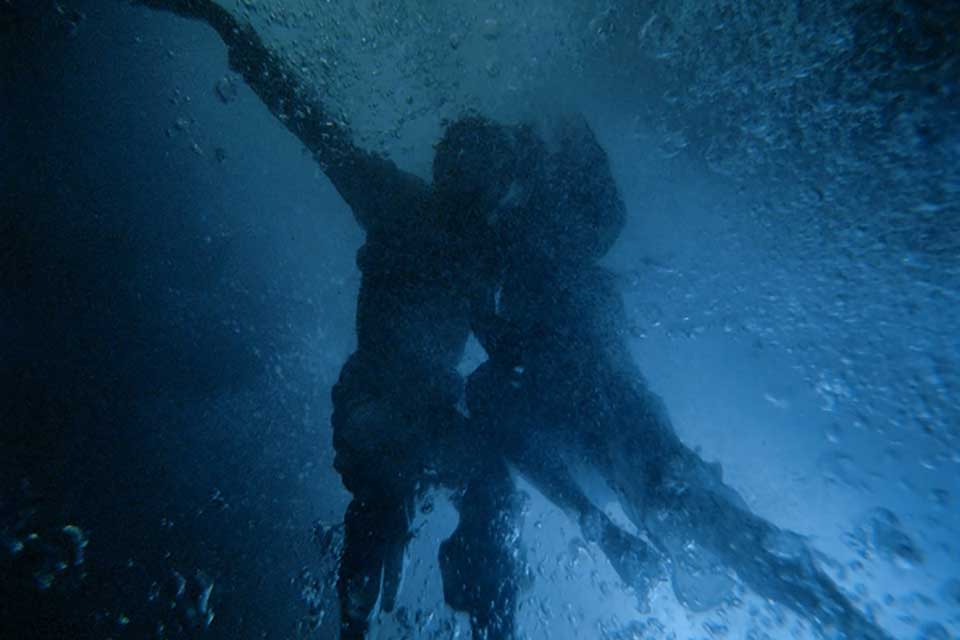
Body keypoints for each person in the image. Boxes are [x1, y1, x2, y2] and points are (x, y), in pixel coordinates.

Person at [134, 2, 653, 638]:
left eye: (485, 168)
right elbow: (308, 120)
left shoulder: (480, 243)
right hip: (382, 395)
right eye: (468, 163)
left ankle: (475, 618)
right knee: (409, 498)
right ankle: (397, 616)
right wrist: (229, 29)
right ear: (453, 172)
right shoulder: (404, 204)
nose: (477, 181)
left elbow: (587, 242)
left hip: (415, 401)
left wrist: (558, 123)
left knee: (482, 489)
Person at [467, 116, 896, 639]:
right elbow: (500, 356)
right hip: (580, 414)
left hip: (600, 410)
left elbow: (593, 220)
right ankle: (840, 616)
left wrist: (575, 139)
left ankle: (841, 617)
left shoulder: (537, 239)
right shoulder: (513, 244)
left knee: (679, 503)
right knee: (671, 498)